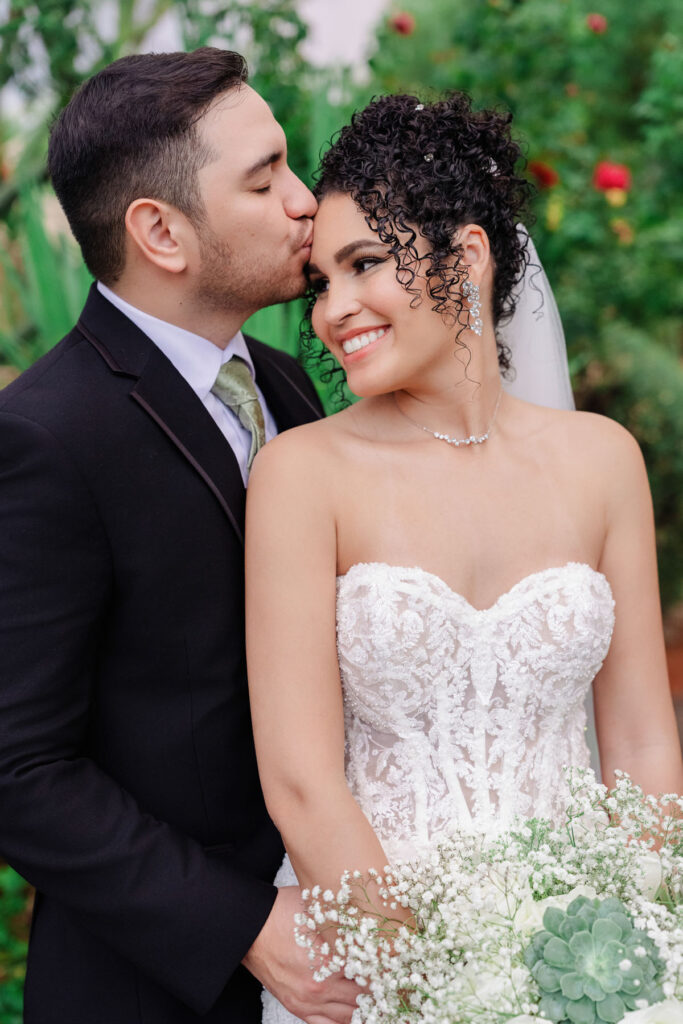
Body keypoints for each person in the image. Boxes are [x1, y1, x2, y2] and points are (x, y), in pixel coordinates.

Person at [244, 92, 683, 1024]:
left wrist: (629, 952)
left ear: (468, 256)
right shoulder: (302, 475)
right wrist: (436, 983)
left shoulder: (602, 462)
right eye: (320, 281)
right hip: (384, 972)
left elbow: (643, 744)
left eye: (365, 264)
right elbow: (301, 782)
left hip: (591, 968)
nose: (333, 310)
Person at [0, 48, 359, 1024]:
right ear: (160, 231)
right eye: (265, 178)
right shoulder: (44, 437)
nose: (305, 201)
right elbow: (20, 768)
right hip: (152, 991)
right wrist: (246, 925)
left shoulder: (284, 385)